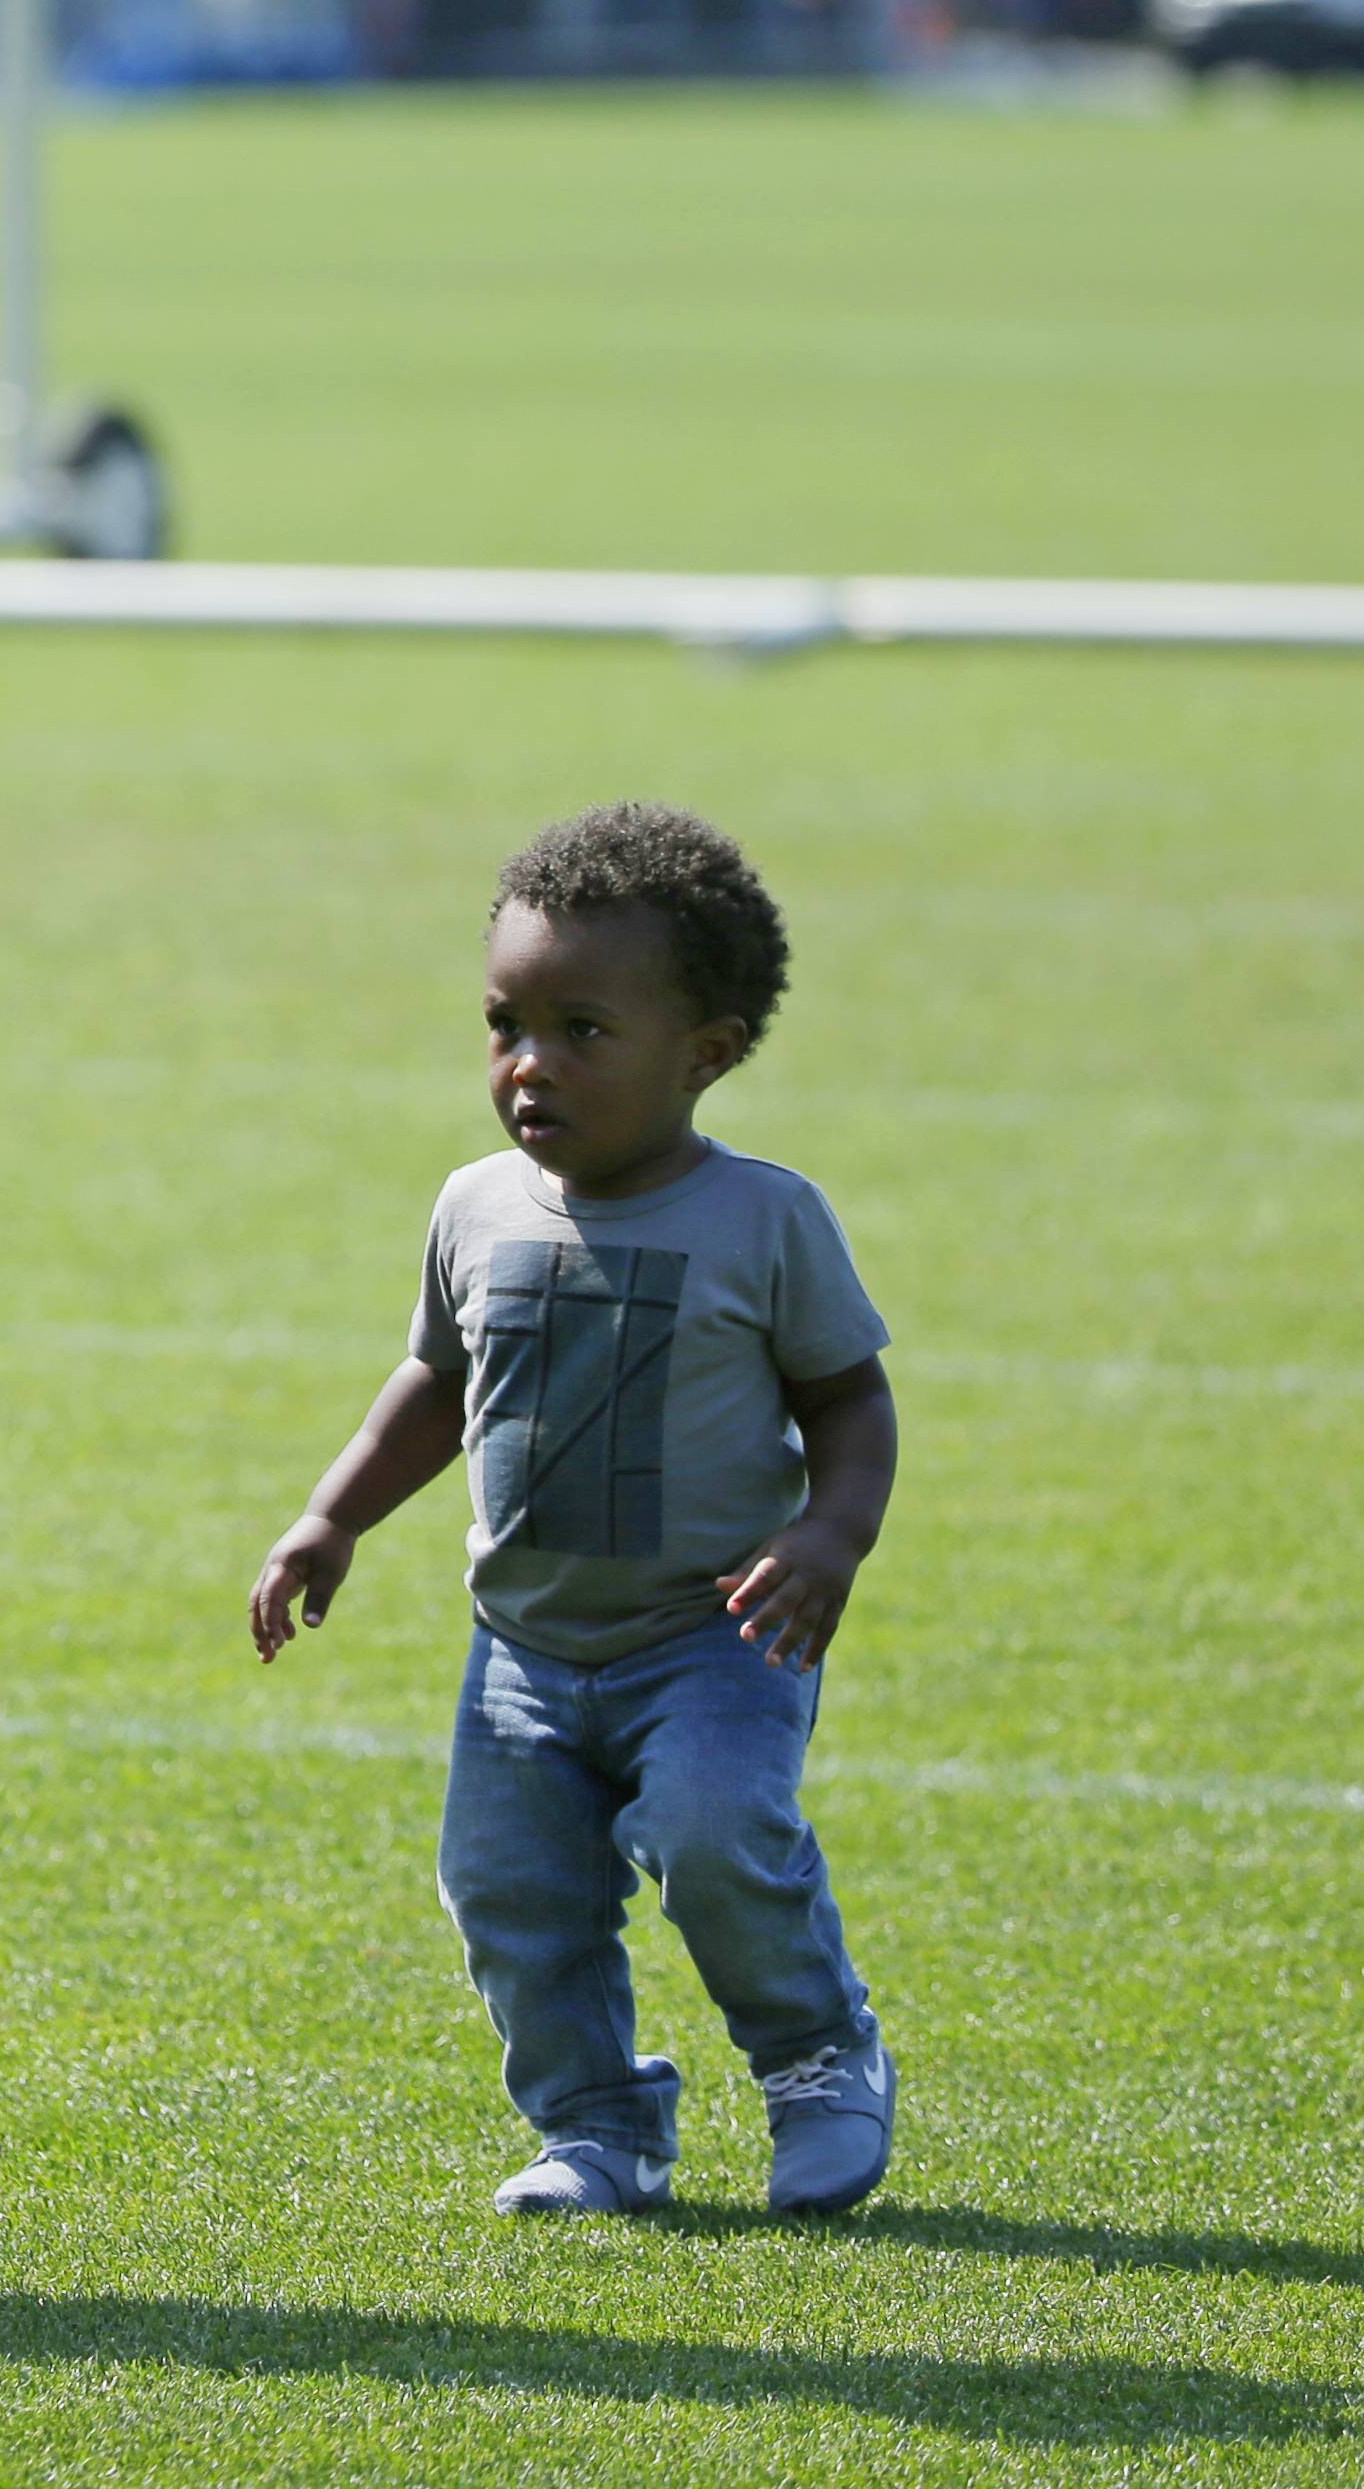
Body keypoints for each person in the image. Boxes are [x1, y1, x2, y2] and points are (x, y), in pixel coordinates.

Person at [251, 805, 902, 2220]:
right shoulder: (477, 1206)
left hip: (711, 1637)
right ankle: (599, 2127)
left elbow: (851, 1403)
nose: (529, 1065)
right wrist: (333, 1516)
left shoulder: (766, 1221)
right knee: (509, 1897)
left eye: (583, 1030)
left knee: (720, 1835)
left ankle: (817, 2061)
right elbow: (437, 1381)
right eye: (505, 1024)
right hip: (525, 1655)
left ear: (707, 1053)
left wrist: (830, 1536)